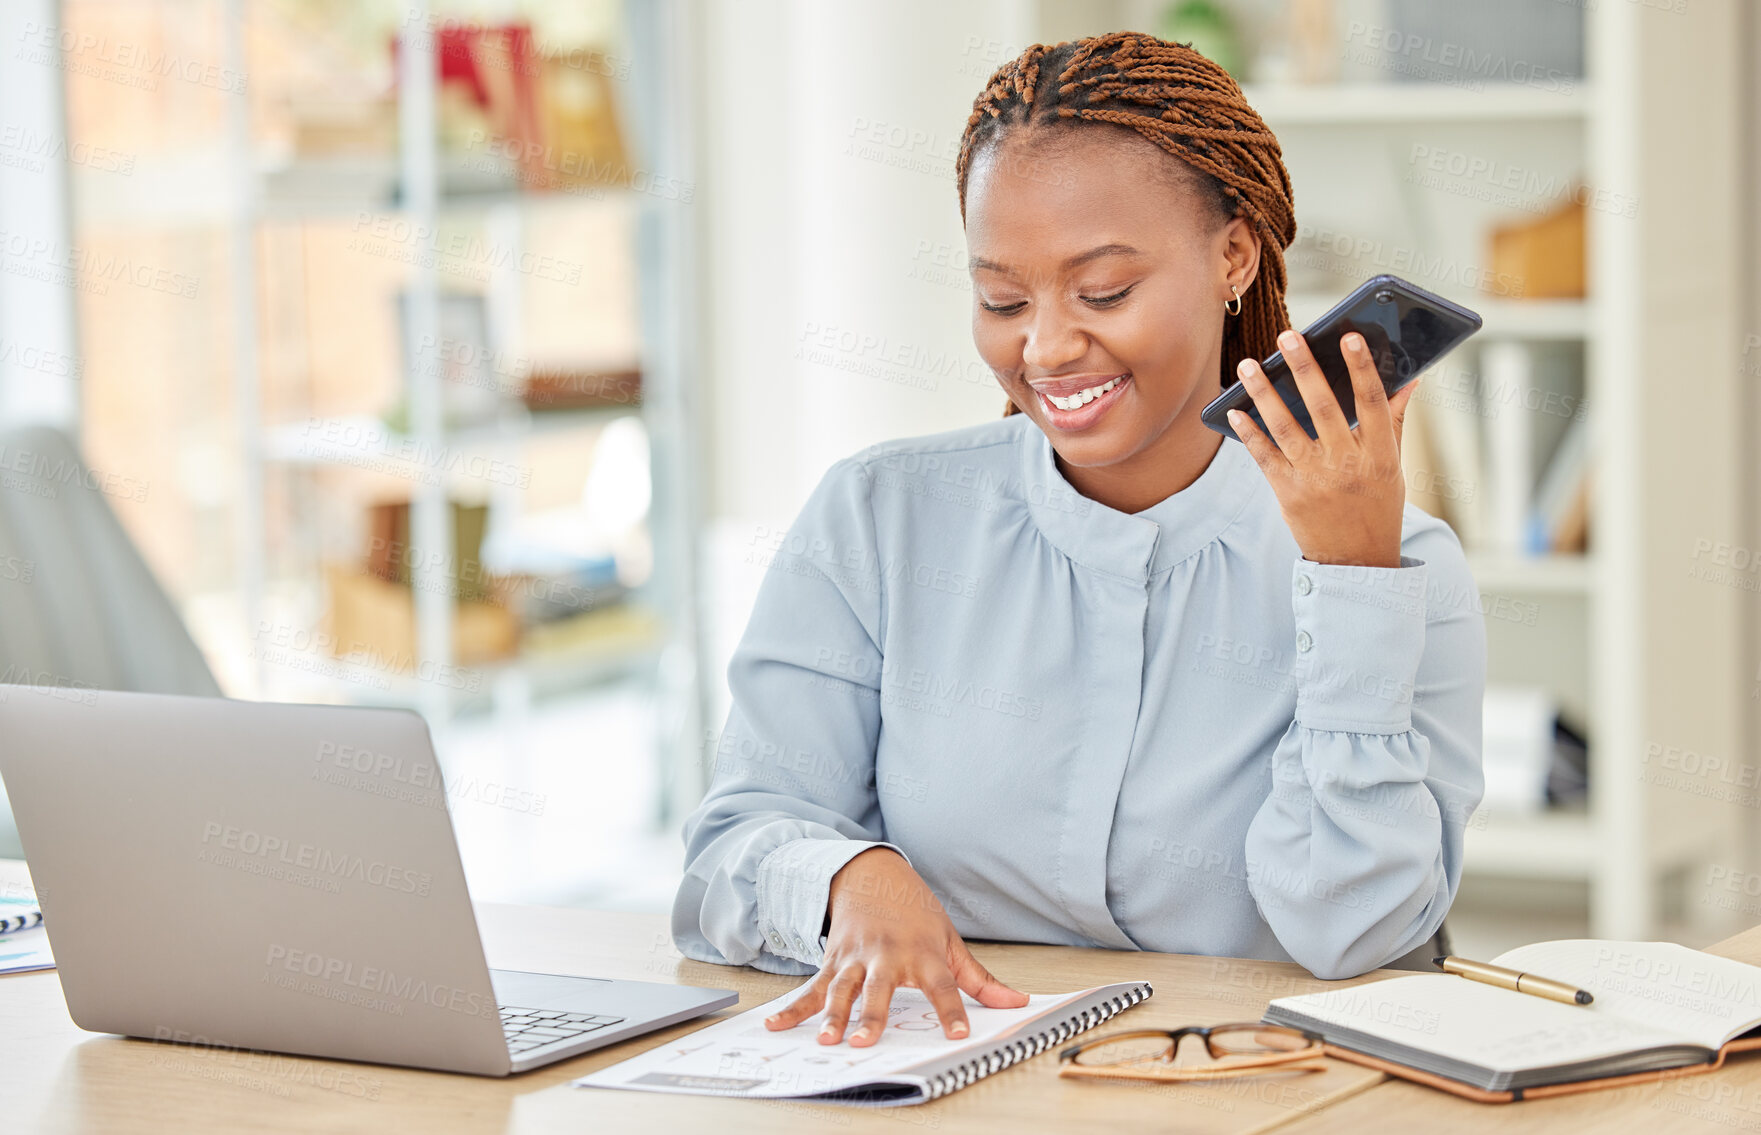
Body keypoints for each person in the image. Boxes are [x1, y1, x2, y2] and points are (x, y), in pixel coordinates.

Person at [673, 31, 1485, 1049]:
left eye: (1103, 292)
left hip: (1256, 1096)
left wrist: (1349, 579)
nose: (1046, 347)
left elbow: (1354, 930)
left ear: (1233, 256)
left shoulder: (1402, 567)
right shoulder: (878, 519)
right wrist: (847, 878)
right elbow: (723, 859)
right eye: (1001, 299)